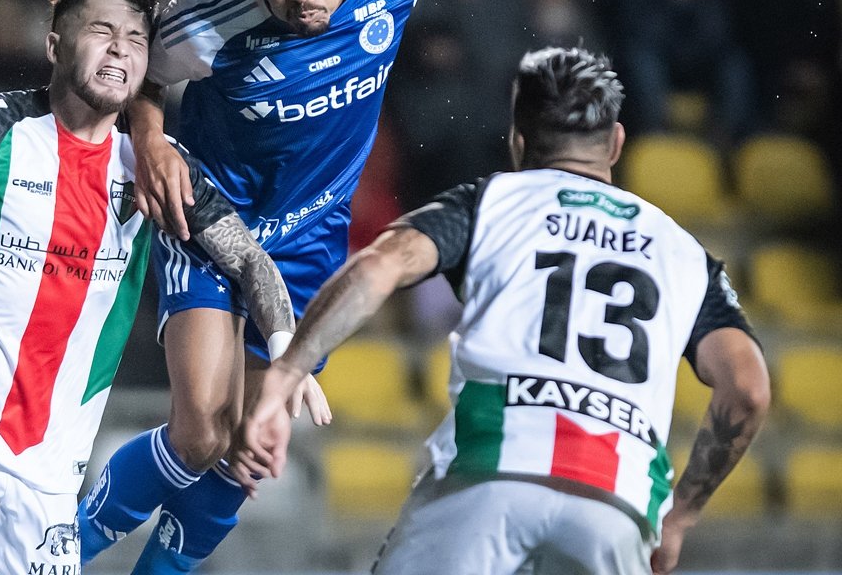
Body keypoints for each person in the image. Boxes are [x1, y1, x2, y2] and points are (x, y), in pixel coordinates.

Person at [237, 47, 770, 575]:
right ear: (616, 143)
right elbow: (748, 389)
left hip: (488, 474)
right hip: (617, 506)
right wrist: (679, 517)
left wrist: (284, 376)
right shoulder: (684, 255)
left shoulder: (489, 202)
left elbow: (379, 267)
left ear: (517, 140)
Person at [0, 0, 302, 575]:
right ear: (54, 44)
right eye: (102, 32)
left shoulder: (156, 169)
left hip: (50, 475)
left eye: (137, 40)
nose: (120, 49)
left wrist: (287, 355)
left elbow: (251, 261)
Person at [78, 0, 427, 573]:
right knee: (201, 430)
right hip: (209, 222)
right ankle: (51, 555)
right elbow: (136, 71)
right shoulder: (207, 17)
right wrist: (149, 141)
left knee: (245, 450)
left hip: (311, 243)